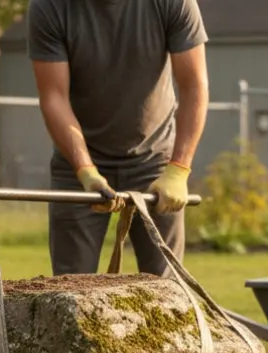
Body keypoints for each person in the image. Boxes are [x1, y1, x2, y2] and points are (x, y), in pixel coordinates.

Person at [27, 0, 209, 276]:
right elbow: (54, 97)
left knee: (166, 291)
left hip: (155, 162)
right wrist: (85, 171)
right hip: (78, 165)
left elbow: (194, 85)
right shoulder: (50, 6)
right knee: (69, 291)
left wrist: (178, 169)